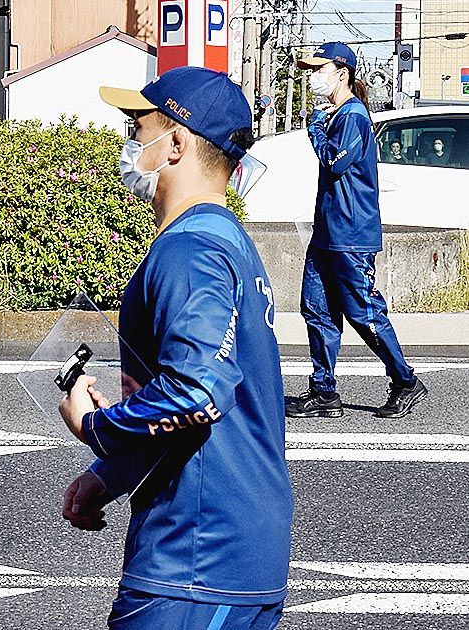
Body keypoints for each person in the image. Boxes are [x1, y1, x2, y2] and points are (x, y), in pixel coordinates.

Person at [61, 67, 292, 629]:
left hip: (196, 558)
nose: (129, 144)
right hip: (229, 550)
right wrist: (110, 474)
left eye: (138, 128)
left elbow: (196, 392)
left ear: (177, 144)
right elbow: (197, 403)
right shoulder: (227, 240)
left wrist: (96, 427)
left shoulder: (187, 250)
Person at [287, 42, 426, 419]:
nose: (312, 77)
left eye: (318, 70)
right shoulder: (338, 115)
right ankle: (324, 392)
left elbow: (334, 162)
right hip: (327, 233)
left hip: (351, 235)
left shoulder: (352, 115)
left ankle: (405, 382)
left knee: (363, 312)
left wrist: (315, 126)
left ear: (341, 73)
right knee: (317, 309)